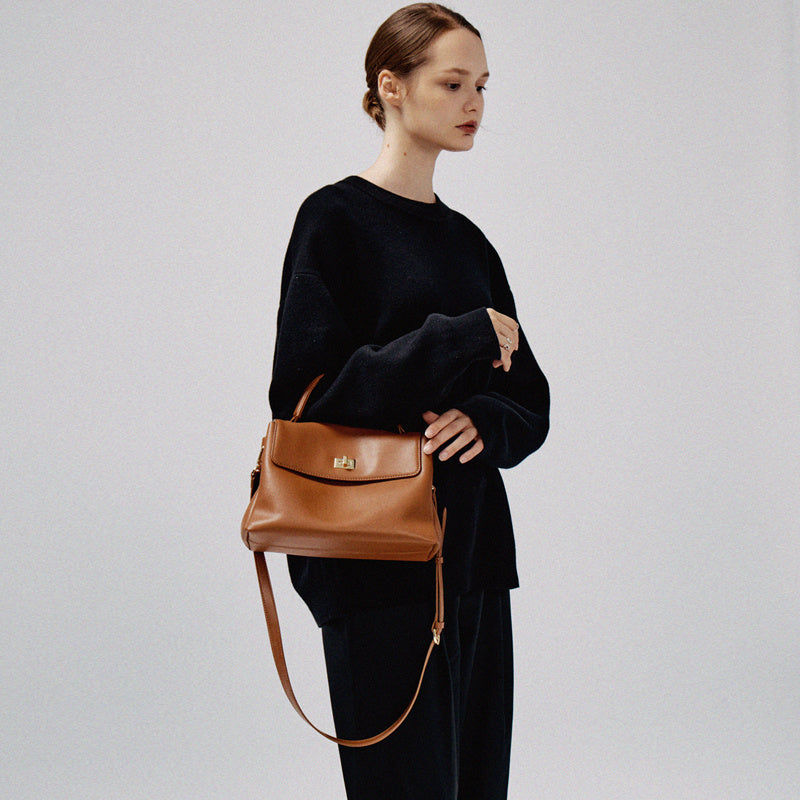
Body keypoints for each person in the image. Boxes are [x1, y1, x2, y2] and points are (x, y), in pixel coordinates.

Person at [268, 4, 549, 798]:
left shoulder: (469, 243)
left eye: (482, 86)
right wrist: (456, 339)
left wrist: (485, 420)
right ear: (391, 87)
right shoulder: (335, 220)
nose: (474, 104)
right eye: (453, 83)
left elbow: (529, 398)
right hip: (374, 554)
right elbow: (308, 396)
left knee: (476, 783)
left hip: (475, 552)